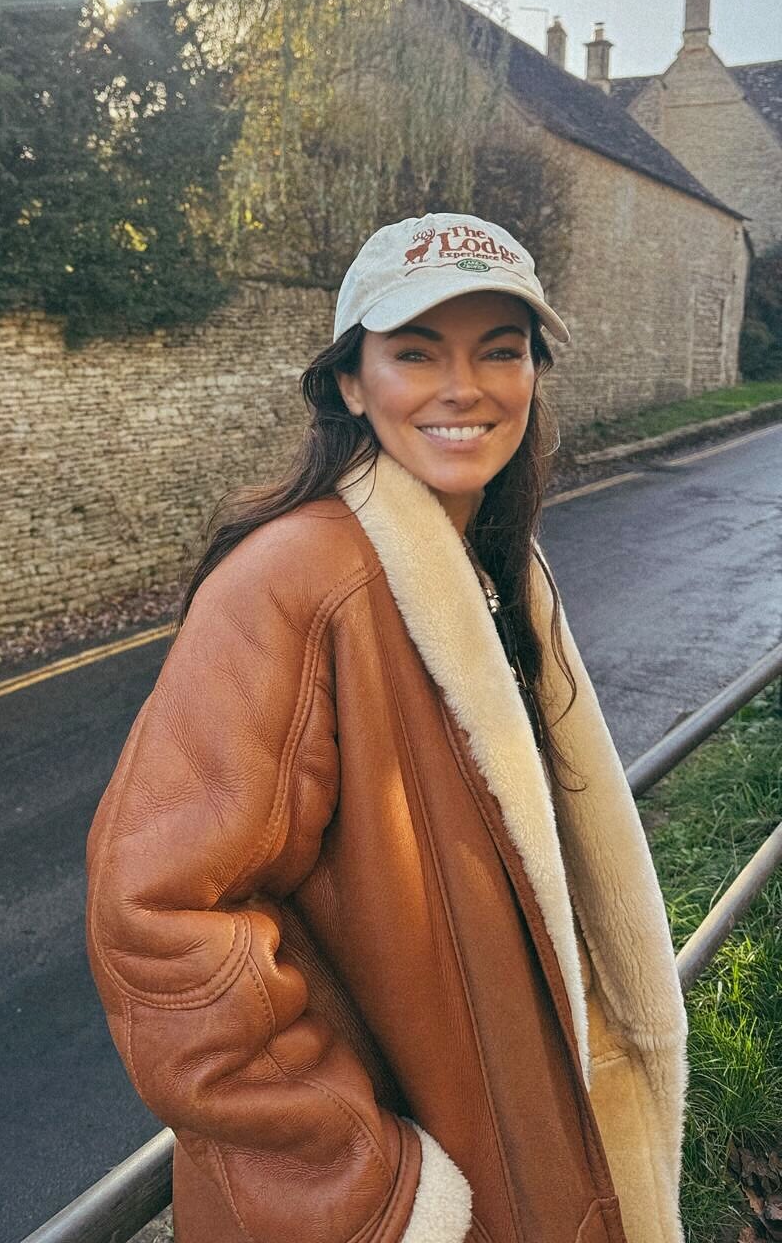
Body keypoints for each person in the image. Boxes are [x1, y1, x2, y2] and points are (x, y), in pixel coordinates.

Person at [85, 212, 688, 1243]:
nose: (466, 387)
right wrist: (382, 1194)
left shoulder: (493, 561)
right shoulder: (295, 581)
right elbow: (153, 918)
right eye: (416, 353)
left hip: (519, 1140)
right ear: (351, 385)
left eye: (501, 350)